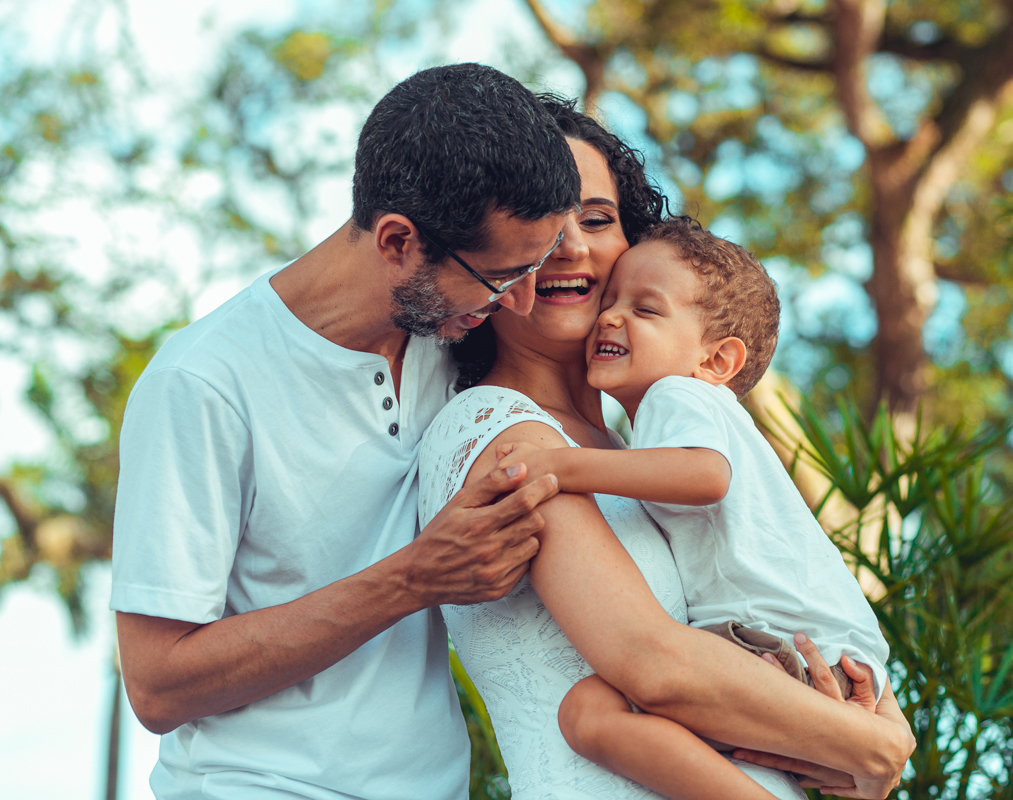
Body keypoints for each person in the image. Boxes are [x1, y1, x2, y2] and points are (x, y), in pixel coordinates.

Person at [418, 95, 915, 800]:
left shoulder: (637, 445)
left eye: (595, 218)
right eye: (538, 219)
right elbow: (655, 667)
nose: (569, 244)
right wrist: (876, 744)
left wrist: (849, 745)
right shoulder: (499, 427)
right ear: (486, 253)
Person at [109, 64, 576, 800]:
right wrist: (415, 576)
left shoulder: (454, 340)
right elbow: (158, 685)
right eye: (499, 276)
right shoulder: (203, 384)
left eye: (536, 267)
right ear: (397, 241)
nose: (520, 302)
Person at [494, 219, 891, 800]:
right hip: (826, 657)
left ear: (717, 360)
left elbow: (705, 478)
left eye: (646, 310)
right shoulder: (674, 421)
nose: (610, 317)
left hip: (782, 643)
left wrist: (560, 464)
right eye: (610, 300)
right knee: (597, 714)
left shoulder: (678, 395)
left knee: (590, 713)